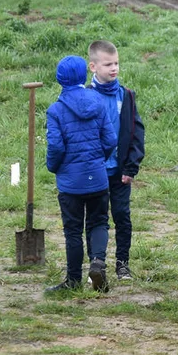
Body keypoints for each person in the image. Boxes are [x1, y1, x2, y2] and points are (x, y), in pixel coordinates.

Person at [45, 55, 118, 294]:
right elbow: (110, 139)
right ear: (84, 75)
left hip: (70, 181)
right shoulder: (97, 101)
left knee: (73, 230)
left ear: (60, 79)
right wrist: (99, 159)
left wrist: (54, 167)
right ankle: (97, 261)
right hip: (97, 176)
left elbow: (56, 147)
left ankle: (73, 280)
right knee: (99, 222)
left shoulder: (56, 110)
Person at [88, 40, 145, 282]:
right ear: (93, 67)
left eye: (117, 63)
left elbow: (136, 132)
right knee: (94, 217)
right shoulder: (87, 97)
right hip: (95, 171)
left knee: (122, 216)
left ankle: (122, 264)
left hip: (120, 172)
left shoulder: (127, 95)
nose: (114, 68)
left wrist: (131, 166)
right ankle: (95, 264)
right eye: (108, 64)